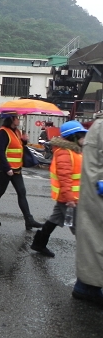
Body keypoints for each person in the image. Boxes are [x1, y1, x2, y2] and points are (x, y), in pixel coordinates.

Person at [30, 120, 86, 257]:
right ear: (74, 136)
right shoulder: (65, 153)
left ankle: (39, 244)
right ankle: (88, 257)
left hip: (69, 197)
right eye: (82, 135)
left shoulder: (74, 151)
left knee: (54, 220)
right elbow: (64, 177)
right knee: (79, 228)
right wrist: (70, 198)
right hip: (70, 198)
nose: (84, 138)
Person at [0, 111, 43, 230]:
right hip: (5, 168)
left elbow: (19, 147)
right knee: (0, 191)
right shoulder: (3, 132)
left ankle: (28, 220)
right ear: (11, 119)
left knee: (22, 192)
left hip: (16, 168)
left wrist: (24, 141)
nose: (19, 119)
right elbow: (0, 151)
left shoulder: (16, 131)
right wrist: (7, 168)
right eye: (16, 117)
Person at [72, 111, 103, 305]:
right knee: (94, 239)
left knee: (93, 239)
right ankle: (86, 287)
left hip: (93, 194)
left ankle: (85, 286)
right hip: (96, 195)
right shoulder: (99, 129)